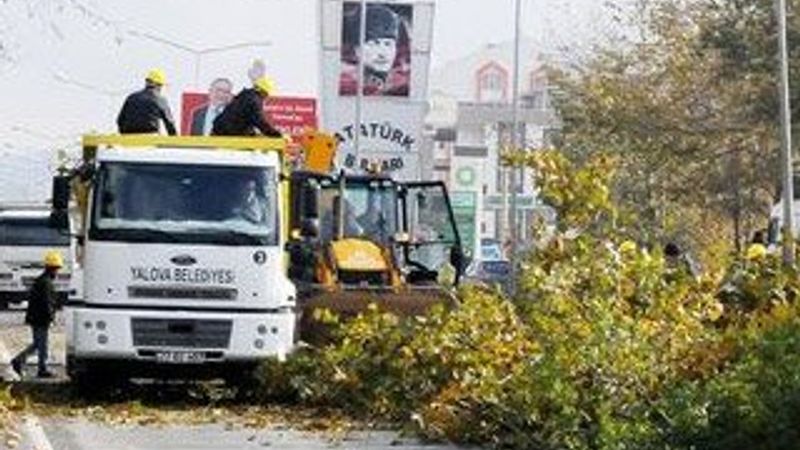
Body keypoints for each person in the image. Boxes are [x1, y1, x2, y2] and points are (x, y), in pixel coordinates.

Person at [10, 250, 63, 378]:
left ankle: (19, 360)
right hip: (40, 319)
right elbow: (47, 303)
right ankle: (41, 369)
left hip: (36, 318)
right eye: (56, 269)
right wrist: (51, 317)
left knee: (37, 344)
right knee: (42, 345)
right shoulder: (46, 283)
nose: (57, 272)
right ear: (52, 268)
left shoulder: (42, 280)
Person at [339, 3, 410, 97]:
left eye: (388, 44)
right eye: (374, 44)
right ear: (357, 50)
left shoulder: (403, 85)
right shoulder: (345, 86)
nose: (382, 54)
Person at [212, 76, 282, 137]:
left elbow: (243, 119)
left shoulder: (245, 95)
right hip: (227, 133)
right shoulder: (254, 100)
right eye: (267, 95)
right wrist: (276, 134)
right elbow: (260, 122)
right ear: (264, 92)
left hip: (220, 129)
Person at [117, 69, 177, 135]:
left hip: (128, 137)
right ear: (158, 85)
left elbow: (120, 120)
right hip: (150, 136)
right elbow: (169, 123)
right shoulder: (160, 99)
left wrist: (124, 135)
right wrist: (175, 139)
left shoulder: (131, 97)